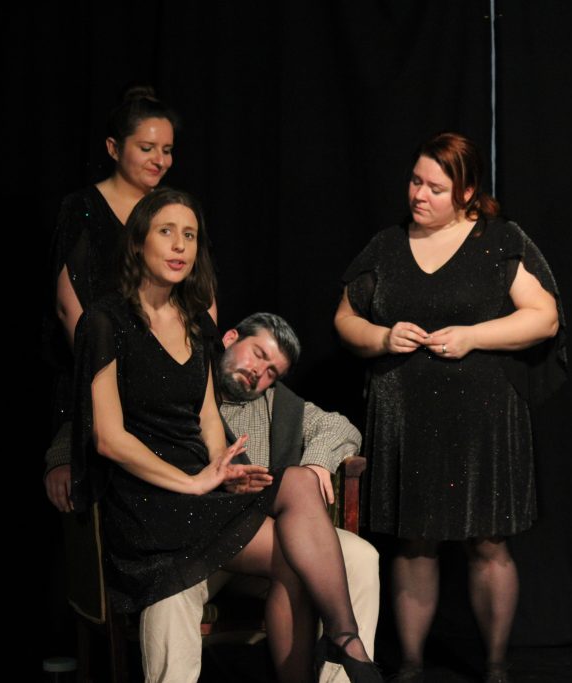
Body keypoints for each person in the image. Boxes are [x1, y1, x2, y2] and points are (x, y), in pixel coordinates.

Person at [72, 187, 381, 683]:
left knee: (299, 494)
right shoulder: (104, 321)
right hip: (147, 505)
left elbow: (207, 419)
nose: (180, 245)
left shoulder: (196, 323)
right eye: (167, 232)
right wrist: (193, 481)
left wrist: (223, 467)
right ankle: (348, 642)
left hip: (202, 498)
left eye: (190, 235)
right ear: (139, 241)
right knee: (293, 545)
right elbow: (107, 437)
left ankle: (345, 642)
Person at [333, 132, 566, 683]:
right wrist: (382, 337)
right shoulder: (387, 246)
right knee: (415, 544)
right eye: (415, 181)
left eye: (435, 188)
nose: (419, 195)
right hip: (407, 419)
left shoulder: (498, 240)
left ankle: (496, 666)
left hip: (482, 419)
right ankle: (411, 665)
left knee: (488, 543)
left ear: (465, 192)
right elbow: (344, 319)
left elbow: (544, 317)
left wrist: (473, 336)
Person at [140, 312, 380, 683]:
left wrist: (317, 462)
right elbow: (102, 416)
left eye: (272, 372)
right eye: (258, 354)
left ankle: (344, 670)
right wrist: (60, 459)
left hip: (263, 544)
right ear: (230, 338)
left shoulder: (276, 405)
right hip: (194, 543)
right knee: (169, 591)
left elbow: (340, 427)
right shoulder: (182, 381)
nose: (259, 373)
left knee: (361, 556)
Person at [44, 85, 209, 511]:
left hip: (167, 385)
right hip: (99, 375)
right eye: (147, 148)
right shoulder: (83, 207)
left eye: (167, 150)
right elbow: (70, 308)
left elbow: (202, 300)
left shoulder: (172, 211)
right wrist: (123, 373)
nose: (160, 160)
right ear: (114, 148)